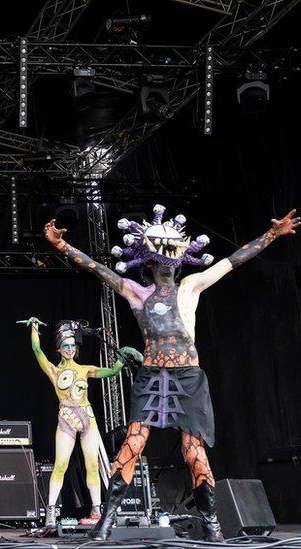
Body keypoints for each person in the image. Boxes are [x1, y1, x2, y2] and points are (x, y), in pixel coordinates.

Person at [44, 205, 299, 541]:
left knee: (194, 451)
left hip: (189, 379)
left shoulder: (191, 286)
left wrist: (271, 234)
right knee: (131, 446)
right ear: (147, 260)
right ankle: (106, 522)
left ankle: (212, 524)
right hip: (151, 376)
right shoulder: (136, 292)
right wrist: (61, 245)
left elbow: (235, 259)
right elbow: (96, 268)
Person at [21, 317, 140, 527]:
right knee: (60, 465)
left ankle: (96, 510)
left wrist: (122, 357)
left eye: (72, 346)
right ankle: (50, 512)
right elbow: (37, 351)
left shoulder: (85, 369)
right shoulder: (54, 371)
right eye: (65, 346)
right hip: (66, 419)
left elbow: (111, 372)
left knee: (92, 465)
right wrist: (35, 329)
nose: (69, 349)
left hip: (88, 420)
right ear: (58, 348)